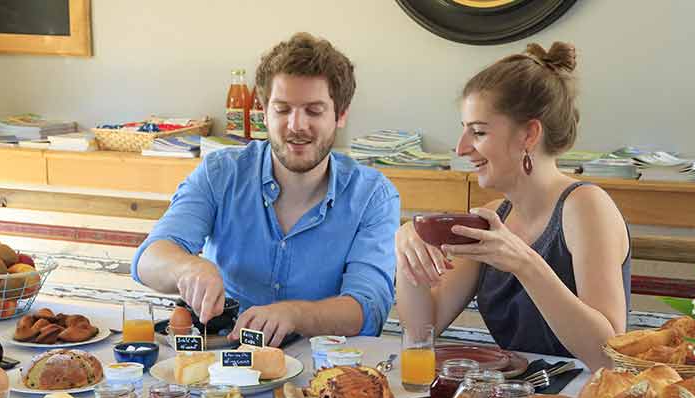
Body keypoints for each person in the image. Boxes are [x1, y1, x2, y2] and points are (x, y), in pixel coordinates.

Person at [133, 33, 400, 347]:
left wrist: (294, 314)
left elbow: (369, 308)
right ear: (263, 110)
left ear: (340, 114)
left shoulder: (373, 196)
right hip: (224, 365)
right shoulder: (220, 173)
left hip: (325, 372)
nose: (296, 125)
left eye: (314, 111)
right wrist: (187, 267)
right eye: (282, 109)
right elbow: (148, 260)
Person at [395, 42, 630, 371]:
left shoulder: (586, 208)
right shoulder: (494, 215)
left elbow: (608, 358)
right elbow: (421, 332)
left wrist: (525, 264)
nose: (461, 148)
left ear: (529, 134)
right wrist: (408, 247)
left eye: (478, 131)